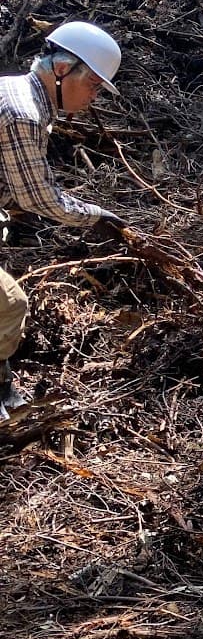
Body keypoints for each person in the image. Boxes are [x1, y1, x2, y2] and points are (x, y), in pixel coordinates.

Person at [0, 21, 128, 419]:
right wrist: (97, 218)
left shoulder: (15, 93)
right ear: (61, 70)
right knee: (8, 304)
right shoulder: (22, 112)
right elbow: (36, 195)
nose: (93, 97)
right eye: (92, 85)